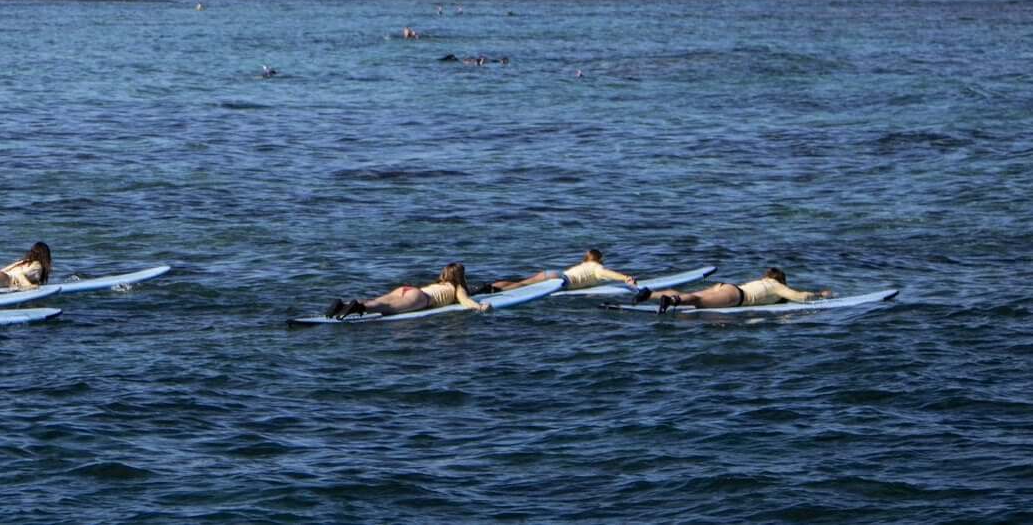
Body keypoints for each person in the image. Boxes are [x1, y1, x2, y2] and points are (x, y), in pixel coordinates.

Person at [632, 266, 833, 313]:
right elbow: (799, 296)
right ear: (781, 280)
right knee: (697, 301)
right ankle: (672, 301)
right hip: (736, 296)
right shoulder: (778, 286)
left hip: (728, 286)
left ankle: (650, 294)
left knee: (693, 295)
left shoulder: (762, 281)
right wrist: (819, 295)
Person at [326, 262, 488, 318]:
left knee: (378, 301)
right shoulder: (457, 287)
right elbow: (466, 301)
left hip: (407, 289)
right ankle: (358, 308)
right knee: (385, 308)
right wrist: (480, 307)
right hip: (420, 298)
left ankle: (344, 305)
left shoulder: (438, 283)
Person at [477, 248, 638, 294]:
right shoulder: (597, 268)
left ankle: (490, 286)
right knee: (523, 287)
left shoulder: (583, 265)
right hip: (561, 281)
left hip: (555, 273)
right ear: (599, 259)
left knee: (522, 282)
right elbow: (610, 274)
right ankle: (492, 290)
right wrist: (626, 278)